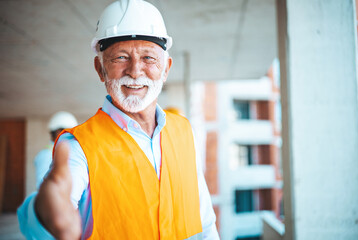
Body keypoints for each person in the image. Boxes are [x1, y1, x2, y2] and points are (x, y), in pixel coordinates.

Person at [17, 0, 220, 239]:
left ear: (166, 69)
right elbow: (55, 210)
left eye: (149, 58)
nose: (135, 71)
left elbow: (204, 222)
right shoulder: (79, 147)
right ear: (100, 69)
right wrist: (42, 216)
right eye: (120, 58)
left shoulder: (183, 132)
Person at [34, 111, 78, 189]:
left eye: (71, 132)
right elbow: (43, 186)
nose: (69, 136)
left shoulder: (70, 153)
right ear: (55, 132)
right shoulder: (47, 154)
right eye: (64, 131)